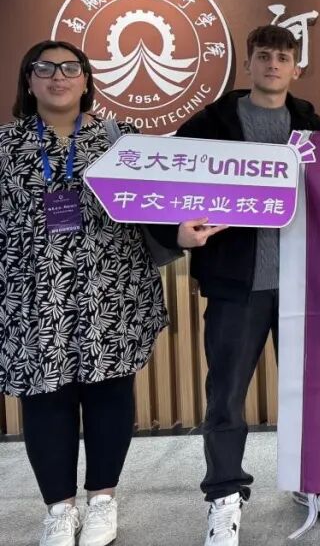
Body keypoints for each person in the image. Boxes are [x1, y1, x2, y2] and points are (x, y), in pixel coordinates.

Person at [149, 25, 320, 546]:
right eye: (264, 56)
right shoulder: (210, 123)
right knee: (227, 395)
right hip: (237, 286)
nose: (273, 65)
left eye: (283, 57)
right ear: (249, 64)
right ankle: (224, 495)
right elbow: (163, 186)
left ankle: (313, 478)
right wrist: (175, 233)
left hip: (303, 287)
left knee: (312, 391)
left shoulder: (312, 125)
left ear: (296, 68)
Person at [0, 40, 167, 546]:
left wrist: (183, 229)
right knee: (44, 397)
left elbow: (157, 205)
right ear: (29, 81)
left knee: (109, 393)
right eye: (45, 68)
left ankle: (102, 500)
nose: (58, 77)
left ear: (86, 80)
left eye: (70, 68)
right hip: (33, 293)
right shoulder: (5, 145)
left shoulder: (121, 140)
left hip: (111, 289)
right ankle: (58, 509)